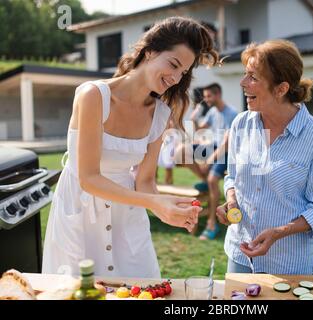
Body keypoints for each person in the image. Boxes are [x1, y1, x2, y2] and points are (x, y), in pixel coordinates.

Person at [42, 17, 218, 277]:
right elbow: (89, 178)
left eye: (183, 72)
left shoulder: (160, 114)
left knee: (141, 286)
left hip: (127, 214)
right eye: (173, 64)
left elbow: (145, 180)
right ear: (150, 51)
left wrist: (167, 210)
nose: (175, 77)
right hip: (80, 210)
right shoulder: (93, 96)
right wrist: (154, 202)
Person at [216, 40, 313, 274]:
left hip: (289, 265)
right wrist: (231, 200)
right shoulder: (240, 123)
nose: (243, 83)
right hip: (239, 256)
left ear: (281, 89)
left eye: (253, 77)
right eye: (245, 74)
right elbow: (232, 176)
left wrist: (279, 232)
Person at [177, 83, 238, 240]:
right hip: (213, 146)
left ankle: (212, 224)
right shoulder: (212, 111)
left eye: (208, 96)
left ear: (217, 94)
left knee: (212, 180)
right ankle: (204, 179)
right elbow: (199, 130)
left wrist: (210, 159)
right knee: (182, 151)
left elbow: (228, 143)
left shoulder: (232, 114)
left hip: (227, 151)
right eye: (204, 96)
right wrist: (194, 118)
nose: (206, 99)